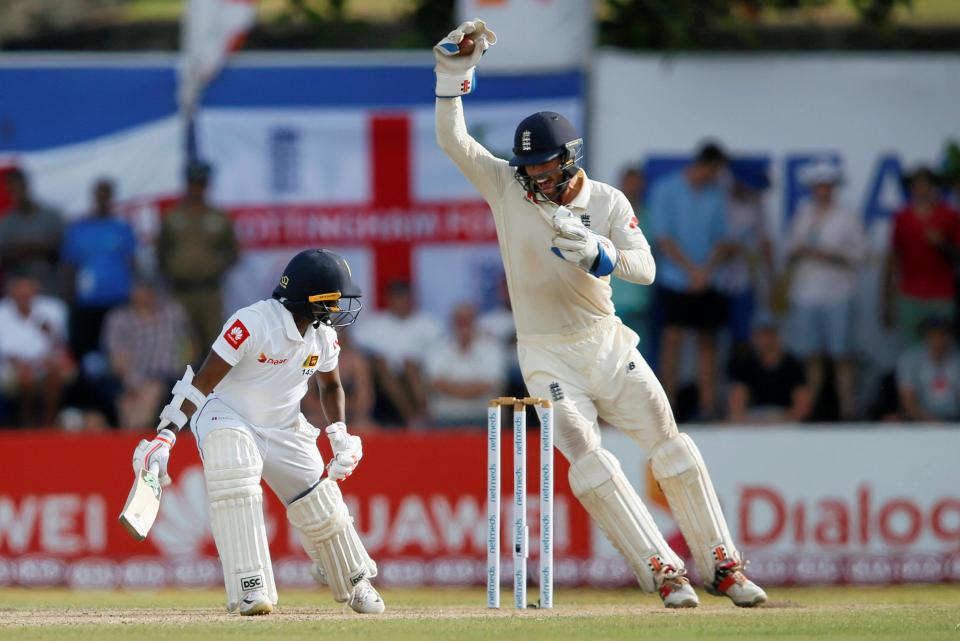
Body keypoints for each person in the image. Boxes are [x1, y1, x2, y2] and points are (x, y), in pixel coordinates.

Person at [434, 20, 766, 608]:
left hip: (607, 342)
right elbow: (454, 141)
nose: (533, 176)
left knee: (671, 445)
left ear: (568, 160)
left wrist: (600, 255)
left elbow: (648, 269)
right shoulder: (507, 187)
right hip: (545, 352)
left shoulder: (608, 200)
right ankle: (664, 573)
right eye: (527, 167)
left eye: (543, 168)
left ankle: (724, 567)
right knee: (587, 459)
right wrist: (452, 74)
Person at [130, 249, 384, 615]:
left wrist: (340, 432)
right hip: (227, 415)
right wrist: (166, 434)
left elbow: (330, 387)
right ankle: (251, 587)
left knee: (321, 504)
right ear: (306, 297)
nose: (336, 309)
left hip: (285, 425)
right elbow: (202, 381)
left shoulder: (323, 337)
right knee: (237, 479)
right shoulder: (252, 323)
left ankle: (353, 578)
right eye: (330, 300)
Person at [648, 142, 734, 419]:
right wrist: (691, 270)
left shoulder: (717, 194)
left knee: (706, 342)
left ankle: (707, 405)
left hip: (709, 278)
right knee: (672, 339)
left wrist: (705, 270)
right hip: (675, 278)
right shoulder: (667, 189)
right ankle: (667, 405)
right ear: (706, 165)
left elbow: (723, 239)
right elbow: (663, 238)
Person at [784, 158, 866, 420]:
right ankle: (813, 411)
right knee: (812, 356)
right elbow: (789, 249)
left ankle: (847, 410)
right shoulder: (804, 213)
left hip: (837, 293)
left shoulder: (847, 214)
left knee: (842, 355)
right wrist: (801, 251)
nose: (823, 190)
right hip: (806, 293)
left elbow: (861, 254)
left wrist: (830, 255)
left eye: (827, 185)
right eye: (818, 186)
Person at [156, 161, 239, 350]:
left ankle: (211, 380)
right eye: (193, 184)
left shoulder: (219, 216)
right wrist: (173, 269)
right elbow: (160, 251)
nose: (196, 189)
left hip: (210, 291)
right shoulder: (172, 216)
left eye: (200, 184)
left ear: (206, 186)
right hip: (179, 291)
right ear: (187, 185)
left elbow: (233, 252)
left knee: (215, 345)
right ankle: (183, 381)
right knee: (181, 344)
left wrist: (215, 267)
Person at [61, 178, 138, 361]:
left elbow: (132, 263)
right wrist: (71, 301)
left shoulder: (121, 228)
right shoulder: (78, 229)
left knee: (119, 354)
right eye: (100, 193)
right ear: (94, 196)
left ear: (112, 197)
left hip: (117, 302)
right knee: (84, 356)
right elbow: (69, 266)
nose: (103, 197)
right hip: (86, 304)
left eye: (107, 193)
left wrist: (133, 296)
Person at [102, 277, 193, 429]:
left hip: (169, 376)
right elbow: (117, 356)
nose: (146, 294)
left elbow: (190, 344)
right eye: (141, 289)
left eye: (150, 290)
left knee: (152, 390)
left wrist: (187, 371)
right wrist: (132, 382)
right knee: (127, 401)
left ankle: (134, 436)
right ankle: (133, 436)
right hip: (131, 377)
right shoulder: (119, 319)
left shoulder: (172, 313)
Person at [884, 166, 960, 347]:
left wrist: (942, 244)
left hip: (942, 293)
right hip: (910, 294)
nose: (922, 189)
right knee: (912, 349)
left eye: (927, 184)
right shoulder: (902, 217)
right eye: (917, 185)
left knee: (944, 349)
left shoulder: (949, 215)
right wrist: (886, 301)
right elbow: (892, 259)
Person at [352, 280, 441, 426]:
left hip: (419, 374)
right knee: (381, 364)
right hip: (384, 378)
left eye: (404, 297)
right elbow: (355, 347)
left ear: (412, 298)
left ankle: (422, 414)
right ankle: (412, 418)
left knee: (410, 366)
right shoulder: (374, 324)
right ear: (389, 299)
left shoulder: (429, 324)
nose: (400, 302)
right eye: (396, 298)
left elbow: (438, 355)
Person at [0, 271, 72, 426]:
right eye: (20, 288)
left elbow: (62, 346)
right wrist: (22, 364)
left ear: (37, 288)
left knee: (55, 373)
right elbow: (5, 352)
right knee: (25, 376)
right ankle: (26, 419)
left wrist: (51, 333)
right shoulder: (2, 312)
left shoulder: (53, 308)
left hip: (45, 363)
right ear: (11, 290)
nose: (24, 293)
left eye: (29, 288)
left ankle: (48, 421)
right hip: (11, 366)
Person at [425, 303, 507, 427]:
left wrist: (453, 387)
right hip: (446, 417)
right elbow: (435, 383)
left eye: (467, 321)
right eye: (459, 321)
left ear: (475, 322)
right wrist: (472, 387)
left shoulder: (492, 347)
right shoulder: (437, 347)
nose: (464, 326)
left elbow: (492, 384)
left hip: (484, 415)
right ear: (451, 323)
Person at [726, 313, 811, 424]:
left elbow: (803, 406)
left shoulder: (793, 365)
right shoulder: (746, 364)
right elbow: (736, 403)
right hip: (754, 420)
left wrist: (780, 421)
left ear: (777, 336)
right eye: (760, 335)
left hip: (785, 420)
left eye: (768, 335)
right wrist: (751, 422)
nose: (764, 340)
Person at [0, 168, 64, 294]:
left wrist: (20, 247)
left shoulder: (51, 216)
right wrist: (39, 246)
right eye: (11, 190)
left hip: (48, 289)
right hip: (17, 295)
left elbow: (58, 248)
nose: (15, 194)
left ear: (26, 186)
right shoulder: (6, 222)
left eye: (17, 188)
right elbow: (4, 256)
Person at [896, 316, 960, 422]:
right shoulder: (910, 360)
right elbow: (908, 400)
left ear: (949, 337)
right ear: (925, 337)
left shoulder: (957, 360)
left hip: (955, 419)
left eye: (942, 335)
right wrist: (930, 421)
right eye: (933, 335)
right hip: (921, 421)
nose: (938, 340)